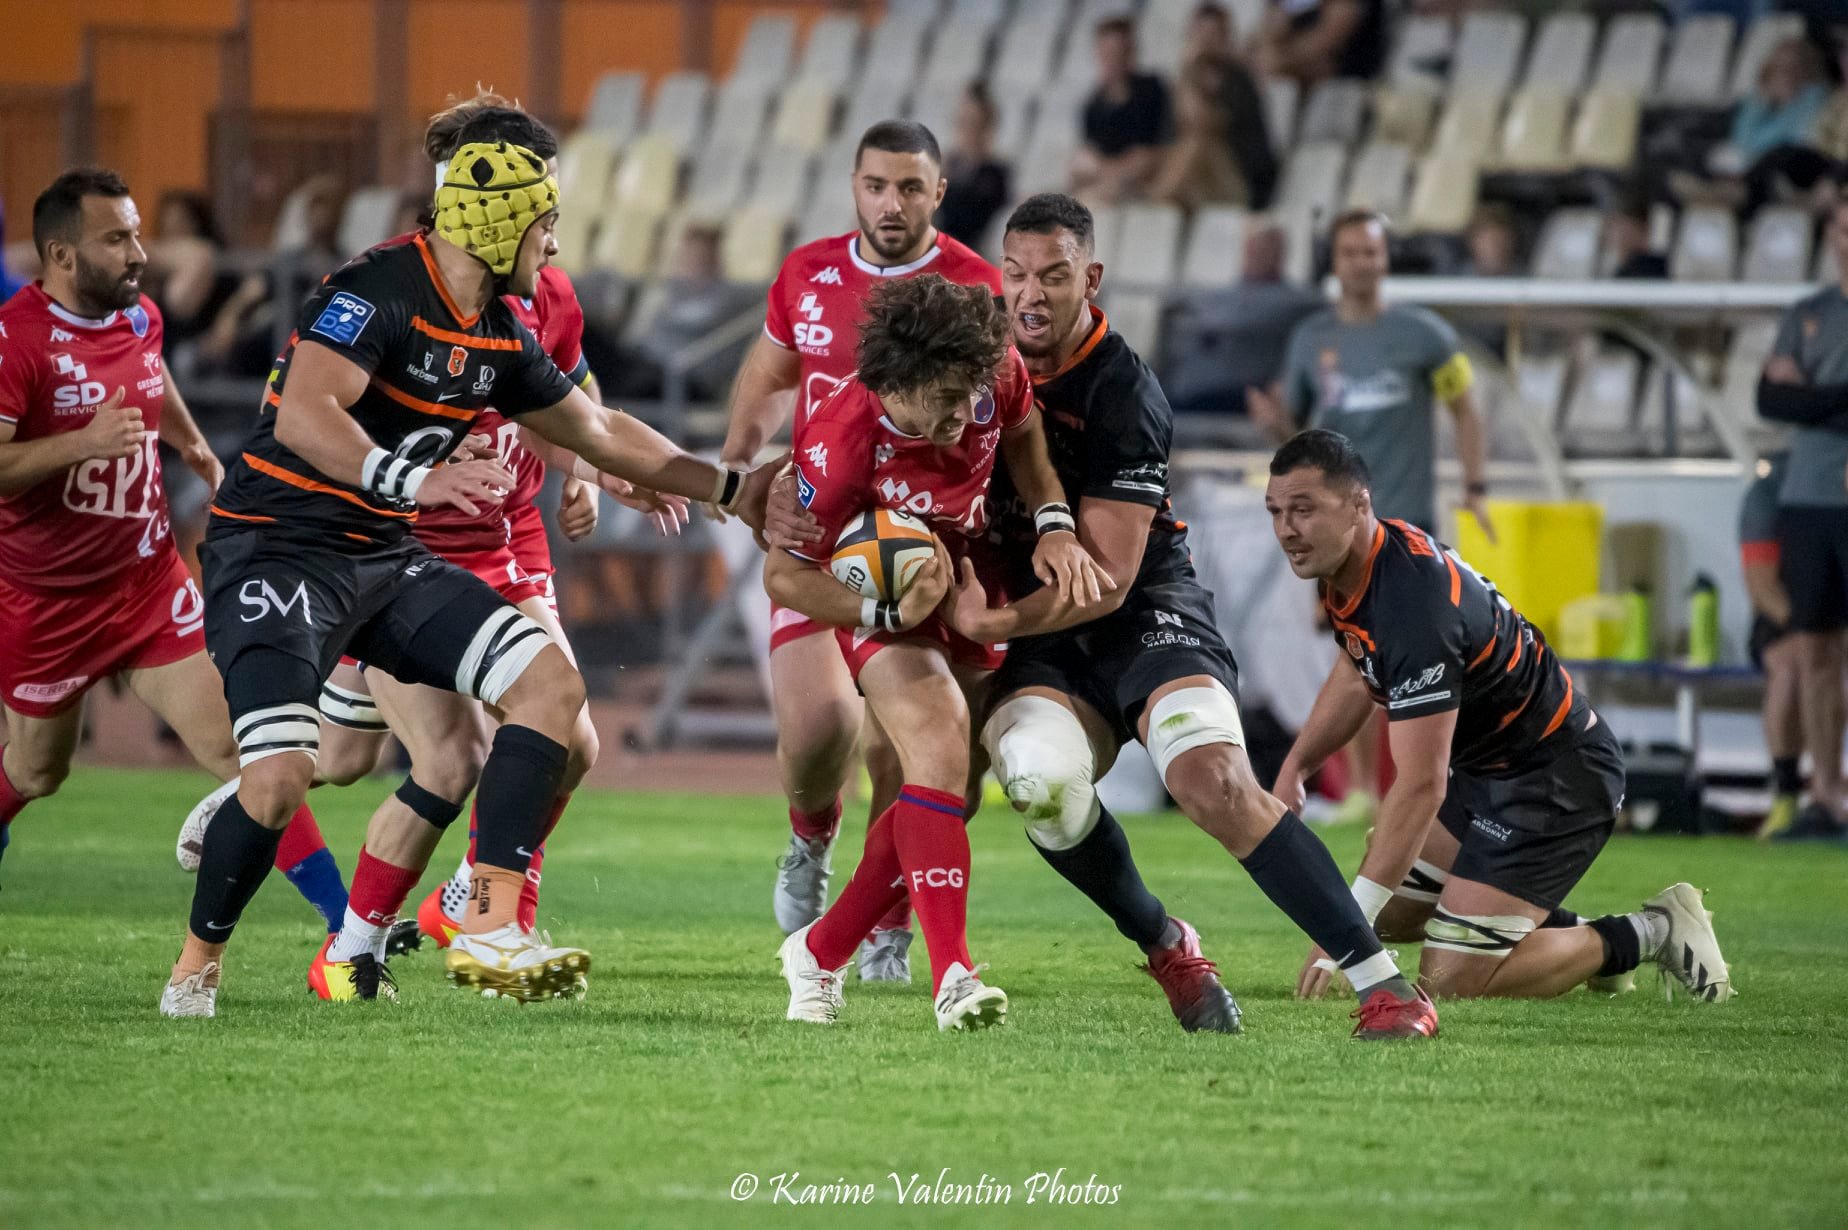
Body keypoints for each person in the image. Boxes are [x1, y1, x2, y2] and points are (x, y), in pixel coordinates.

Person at [158, 137, 776, 1017]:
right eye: (547, 226)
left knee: (552, 692)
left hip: (390, 557)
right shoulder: (374, 289)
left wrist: (729, 488)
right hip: (279, 548)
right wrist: (416, 480)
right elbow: (302, 414)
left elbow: (597, 430)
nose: (555, 245)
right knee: (290, 776)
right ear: (501, 221)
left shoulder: (498, 332)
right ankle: (196, 963)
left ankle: (485, 917)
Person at [944, 194, 1435, 1039]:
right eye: (1016, 275)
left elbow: (1104, 579)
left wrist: (987, 628)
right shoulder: (972, 369)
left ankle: (1384, 985)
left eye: (1054, 277)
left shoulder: (1126, 389)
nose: (1030, 295)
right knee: (1040, 786)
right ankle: (1169, 946)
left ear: (1090, 280)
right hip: (1041, 642)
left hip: (1143, 611)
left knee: (1211, 780)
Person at [0, 168, 349, 936]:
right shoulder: (14, 341)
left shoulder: (139, 318)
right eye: (116, 238)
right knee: (35, 772)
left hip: (146, 580)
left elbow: (148, 372)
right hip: (49, 600)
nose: (139, 253)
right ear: (61, 254)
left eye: (135, 233)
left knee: (247, 745)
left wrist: (189, 443)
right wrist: (82, 444)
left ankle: (347, 928)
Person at [1266, 430, 1733, 1003]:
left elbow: (1419, 785)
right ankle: (1541, 931)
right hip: (1490, 773)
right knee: (1384, 914)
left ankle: (1650, 932)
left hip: (1555, 783)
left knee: (1446, 978)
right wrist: (1298, 765)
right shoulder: (1365, 566)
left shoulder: (1414, 607)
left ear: (1360, 504)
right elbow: (1356, 664)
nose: (1287, 529)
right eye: (1277, 511)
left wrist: (1348, 936)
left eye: (1304, 509)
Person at [769, 274, 1110, 1031]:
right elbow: (783, 575)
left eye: (971, 394)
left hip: (969, 574)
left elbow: (1021, 432)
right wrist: (881, 608)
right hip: (882, 601)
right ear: (894, 384)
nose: (964, 415)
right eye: (945, 402)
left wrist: (1054, 519)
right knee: (935, 736)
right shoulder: (840, 443)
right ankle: (953, 975)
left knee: (946, 790)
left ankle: (819, 953)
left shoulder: (993, 371)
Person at [718, 120, 1001, 984]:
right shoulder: (807, 271)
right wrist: (739, 464)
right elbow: (769, 377)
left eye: (911, 187)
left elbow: (1006, 413)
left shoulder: (972, 285)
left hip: (926, 542)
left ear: (939, 192)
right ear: (853, 184)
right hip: (823, 530)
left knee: (907, 752)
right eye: (877, 185)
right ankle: (810, 842)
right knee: (816, 736)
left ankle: (888, 927)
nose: (892, 202)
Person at [1753, 194, 1848, 841]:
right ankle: (1825, 791)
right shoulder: (1809, 313)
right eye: (1843, 225)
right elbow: (1770, 396)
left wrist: (1813, 397)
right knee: (1813, 647)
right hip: (1810, 500)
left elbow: (1796, 397)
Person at [1737, 452, 1804, 840]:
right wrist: (1803, 628)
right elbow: (1761, 585)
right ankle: (1787, 791)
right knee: (1792, 665)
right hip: (1783, 622)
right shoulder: (1767, 494)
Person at [1069, 17, 1174, 204]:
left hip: (1147, 181)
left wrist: (1112, 170)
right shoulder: (1092, 104)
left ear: (1131, 52)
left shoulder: (1152, 90)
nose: (1113, 61)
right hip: (1108, 181)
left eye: (1119, 53)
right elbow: (1088, 157)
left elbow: (1154, 154)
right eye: (1107, 54)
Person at [935, 82, 1012, 249]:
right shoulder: (946, 165)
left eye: (972, 122)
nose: (966, 130)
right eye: (961, 121)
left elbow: (976, 220)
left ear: (986, 126)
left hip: (973, 251)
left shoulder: (996, 172)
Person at [1252, 0, 1387, 87]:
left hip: (1344, 84)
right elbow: (1270, 31)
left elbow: (1327, 41)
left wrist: (1281, 60)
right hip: (1297, 76)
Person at [1605, 190, 1669, 280]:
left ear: (1644, 230)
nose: (1614, 238)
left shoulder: (1651, 267)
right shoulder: (1622, 269)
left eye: (1622, 232)